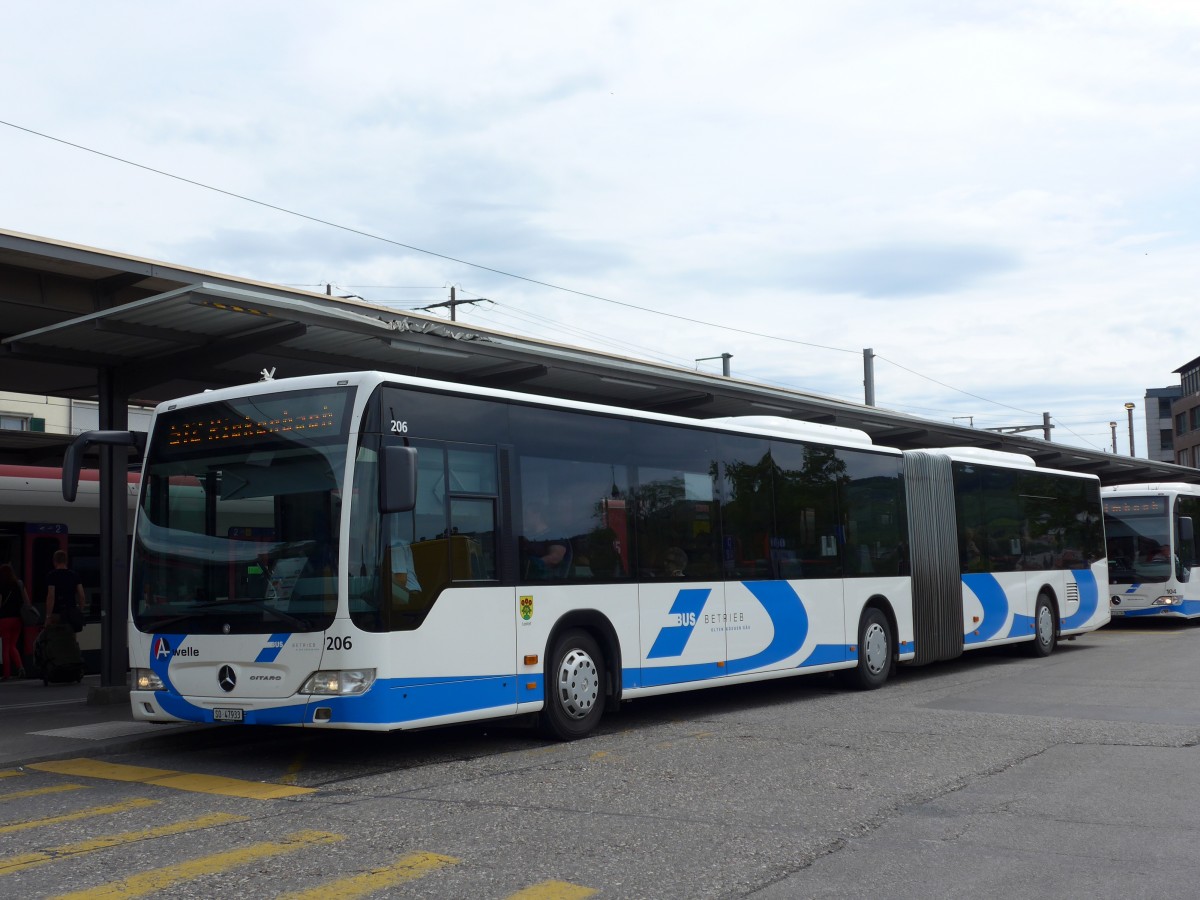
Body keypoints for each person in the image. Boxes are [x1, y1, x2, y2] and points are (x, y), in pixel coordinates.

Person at [45, 550, 86, 634]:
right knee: (70, 639)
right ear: (66, 561)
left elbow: (51, 596)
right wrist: (80, 611)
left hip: (57, 613)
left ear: (54, 561)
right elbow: (82, 596)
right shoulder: (74, 575)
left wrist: (48, 616)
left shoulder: (52, 575)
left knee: (56, 639)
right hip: (71, 614)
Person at [0, 563, 29, 680]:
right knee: (13, 645)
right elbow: (26, 600)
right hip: (18, 619)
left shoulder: (1, 585)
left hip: (4, 620)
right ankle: (20, 667)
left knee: (5, 648)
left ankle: (6, 674)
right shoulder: (19, 584)